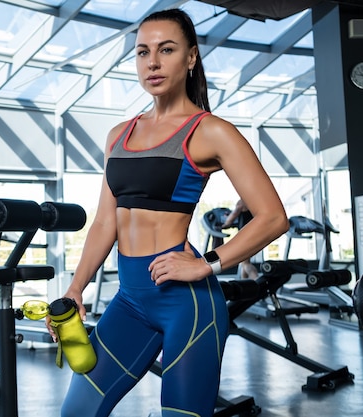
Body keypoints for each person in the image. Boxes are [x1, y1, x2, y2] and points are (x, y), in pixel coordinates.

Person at [49, 8, 289, 417]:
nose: (153, 62)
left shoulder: (210, 130)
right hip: (129, 300)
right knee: (77, 410)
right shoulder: (119, 135)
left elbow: (273, 217)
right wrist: (76, 287)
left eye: (167, 49)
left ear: (191, 57)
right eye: (143, 52)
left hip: (187, 305)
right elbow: (107, 220)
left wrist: (207, 264)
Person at [223, 199, 259, 279]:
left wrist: (225, 224)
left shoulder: (243, 202)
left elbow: (233, 216)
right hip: (256, 234)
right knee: (245, 261)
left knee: (246, 264)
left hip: (246, 235)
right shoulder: (257, 201)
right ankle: (245, 285)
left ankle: (256, 279)